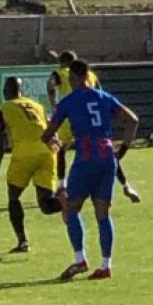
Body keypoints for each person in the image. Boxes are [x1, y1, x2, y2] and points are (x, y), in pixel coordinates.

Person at [42, 60, 139, 280]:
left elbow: (48, 133)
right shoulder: (103, 97)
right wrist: (123, 149)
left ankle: (80, 260)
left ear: (74, 78)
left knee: (71, 208)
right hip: (107, 157)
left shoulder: (69, 101)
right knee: (103, 214)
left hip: (85, 157)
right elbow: (133, 120)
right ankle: (105, 265)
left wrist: (49, 139)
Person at [48, 50, 140, 203]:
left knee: (62, 150)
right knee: (106, 152)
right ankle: (126, 185)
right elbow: (99, 91)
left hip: (72, 115)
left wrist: (53, 104)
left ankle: (62, 185)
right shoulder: (91, 75)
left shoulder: (61, 73)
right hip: (96, 119)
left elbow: (50, 84)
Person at [0, 77, 63, 253]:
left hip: (24, 154)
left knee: (14, 197)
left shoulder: (1, 110)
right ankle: (72, 201)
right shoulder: (37, 106)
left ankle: (22, 241)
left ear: (5, 92)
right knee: (46, 205)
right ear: (21, 91)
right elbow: (51, 130)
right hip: (47, 153)